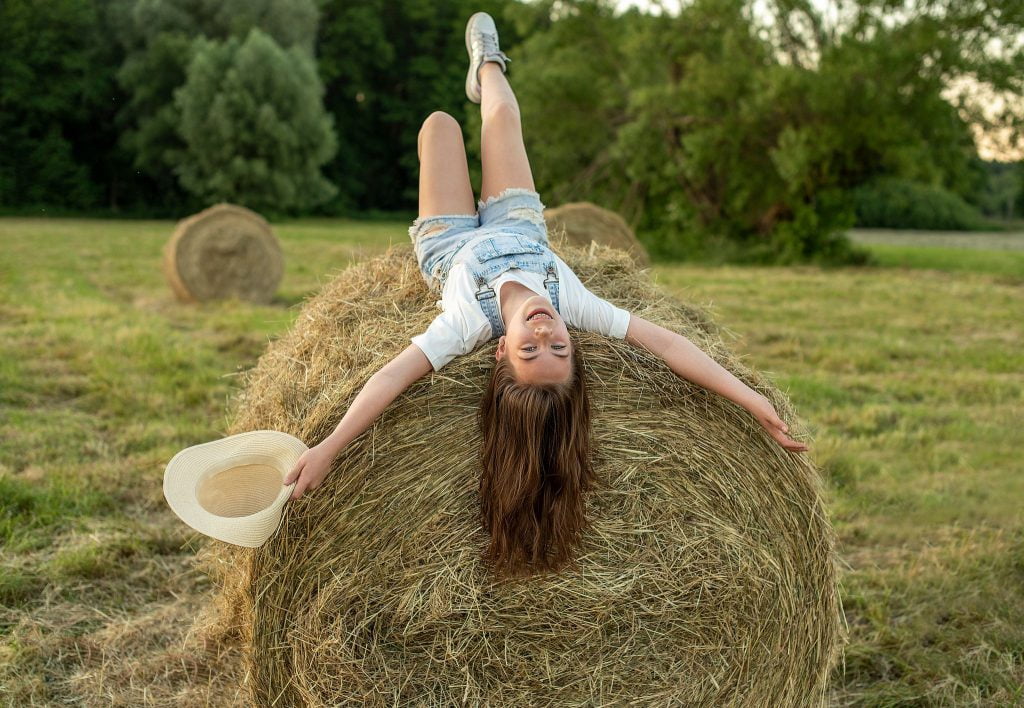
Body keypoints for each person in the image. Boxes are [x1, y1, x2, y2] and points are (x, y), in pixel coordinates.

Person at [283, 11, 809, 577]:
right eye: (559, 350)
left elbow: (387, 379)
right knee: (503, 113)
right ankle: (487, 62)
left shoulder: (463, 324)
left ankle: (467, 95)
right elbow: (671, 346)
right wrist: (753, 401)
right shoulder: (573, 303)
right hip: (520, 224)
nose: (545, 335)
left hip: (449, 241)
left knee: (440, 127)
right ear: (574, 346)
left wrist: (330, 446)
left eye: (530, 352)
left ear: (499, 353)